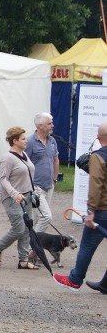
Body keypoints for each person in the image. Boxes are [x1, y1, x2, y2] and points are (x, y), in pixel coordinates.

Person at [54, 122, 107, 292]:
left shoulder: (99, 157)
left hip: (102, 209)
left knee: (87, 247)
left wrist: (91, 211)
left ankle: (75, 279)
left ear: (98, 138)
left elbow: (96, 184)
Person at [0, 127, 40, 271]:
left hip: (27, 196)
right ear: (15, 141)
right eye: (23, 139)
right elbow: (3, 179)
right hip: (12, 198)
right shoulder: (7, 158)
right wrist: (14, 194)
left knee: (27, 228)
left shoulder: (24, 154)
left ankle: (23, 260)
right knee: (19, 228)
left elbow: (28, 175)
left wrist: (33, 191)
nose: (26, 141)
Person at [24, 112, 59, 233]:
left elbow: (56, 159)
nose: (52, 126)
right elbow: (23, 164)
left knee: (40, 217)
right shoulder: (29, 142)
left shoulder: (52, 141)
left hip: (49, 185)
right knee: (46, 217)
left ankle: (30, 245)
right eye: (49, 123)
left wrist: (54, 179)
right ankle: (33, 245)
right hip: (36, 186)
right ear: (40, 126)